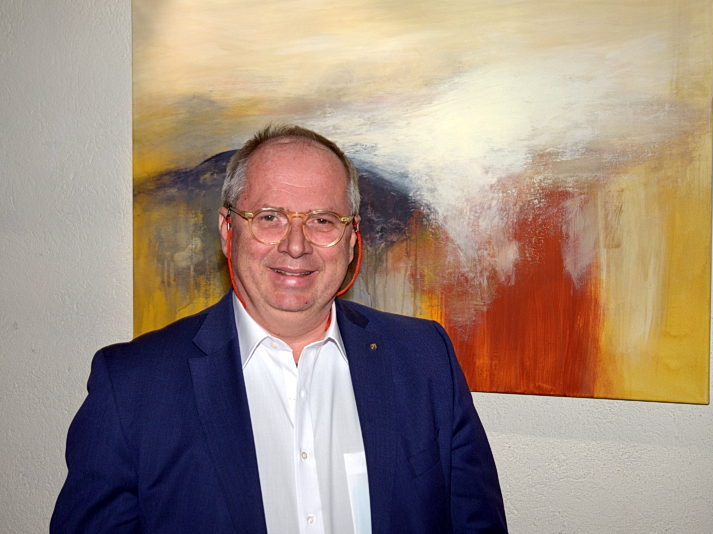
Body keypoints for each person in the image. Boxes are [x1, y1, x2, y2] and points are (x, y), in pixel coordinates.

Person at [51, 124, 507, 533]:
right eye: (269, 217)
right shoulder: (132, 385)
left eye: (322, 220)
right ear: (228, 230)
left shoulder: (425, 359)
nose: (295, 245)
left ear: (352, 239)